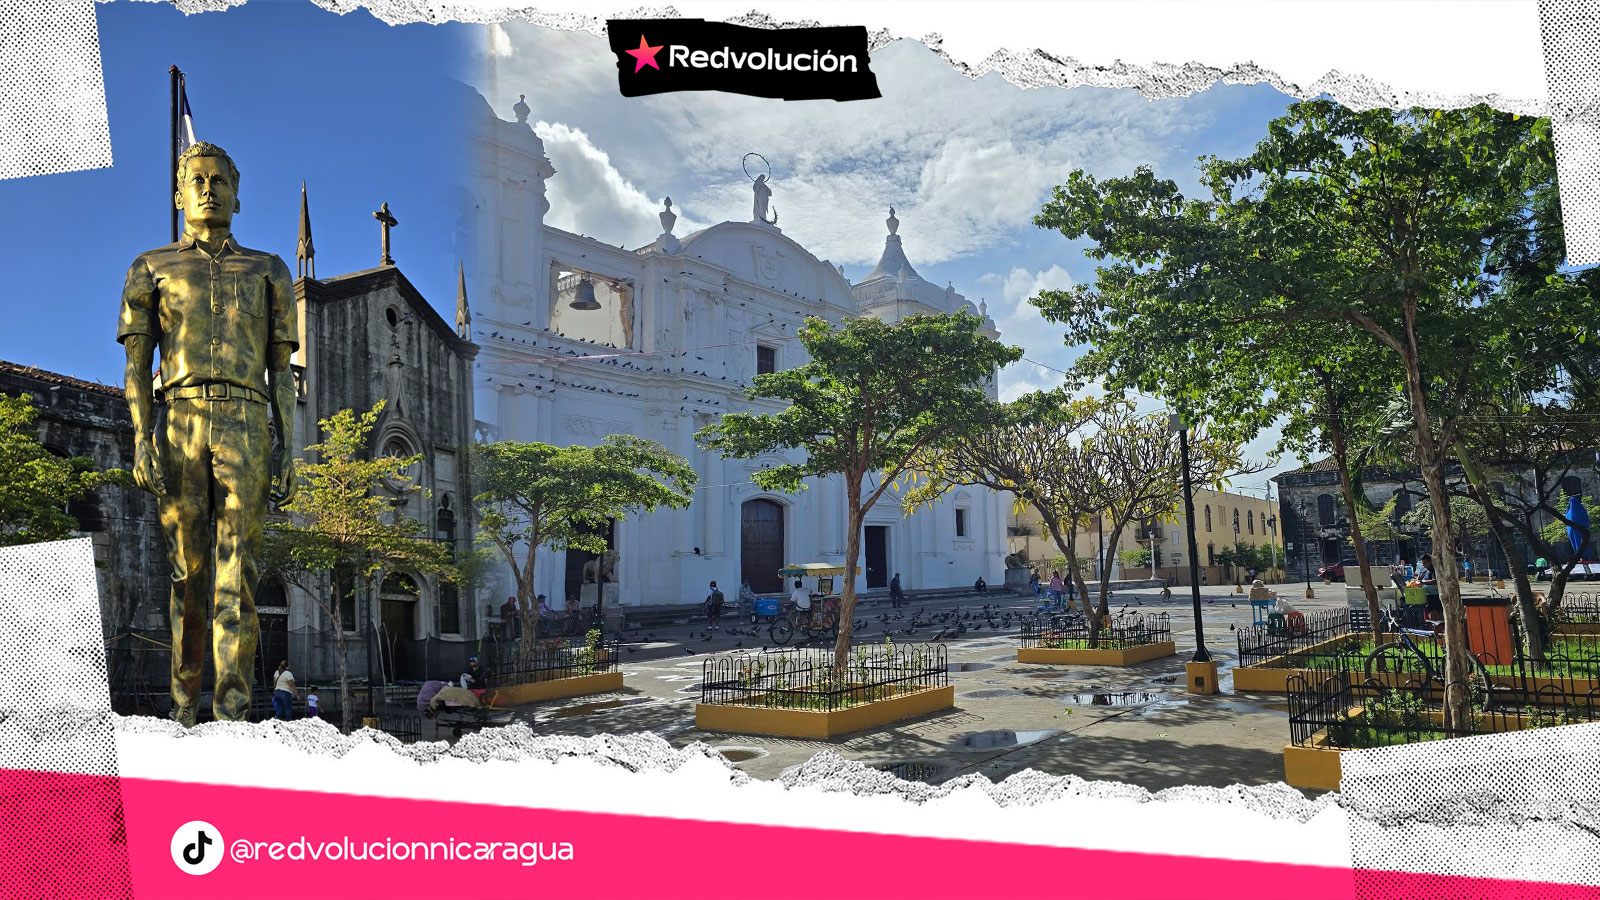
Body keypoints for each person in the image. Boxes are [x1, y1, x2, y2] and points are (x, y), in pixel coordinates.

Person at [119, 142, 299, 727]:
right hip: (180, 418)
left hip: (246, 423)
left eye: (219, 180)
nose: (207, 188)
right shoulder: (151, 267)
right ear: (179, 195)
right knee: (187, 575)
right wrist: (143, 438)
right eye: (195, 180)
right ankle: (182, 713)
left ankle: (233, 718)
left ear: (237, 195)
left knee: (237, 573)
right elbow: (136, 367)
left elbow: (283, 374)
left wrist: (287, 448)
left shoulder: (270, 269)